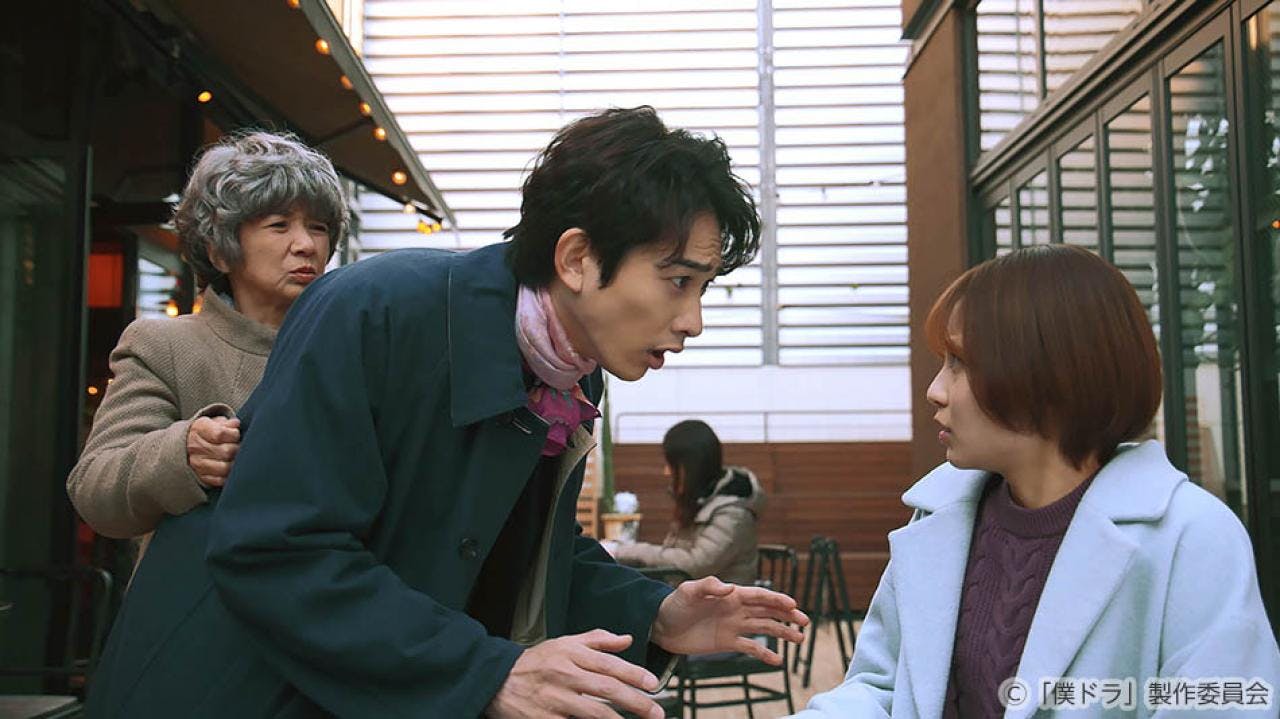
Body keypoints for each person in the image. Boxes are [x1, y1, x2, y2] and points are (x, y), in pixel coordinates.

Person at [88, 106, 809, 719]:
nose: (693, 321)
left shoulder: (569, 364)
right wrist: (486, 671)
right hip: (228, 689)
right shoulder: (377, 310)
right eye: (678, 281)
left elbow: (521, 547)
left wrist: (655, 612)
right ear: (576, 258)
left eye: (703, 288)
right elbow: (277, 547)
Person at [793, 245, 1280, 718]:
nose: (935, 390)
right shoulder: (938, 515)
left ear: (1047, 377)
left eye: (959, 362)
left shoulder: (1192, 537)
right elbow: (884, 689)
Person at [67, 131, 345, 549]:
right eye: (279, 225)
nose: (306, 245)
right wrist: (182, 454)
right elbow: (95, 490)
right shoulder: (164, 345)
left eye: (318, 227)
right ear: (220, 250)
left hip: (336, 587)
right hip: (208, 588)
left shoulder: (352, 349)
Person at [611, 419, 764, 586]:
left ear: (692, 467)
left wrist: (622, 551)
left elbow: (695, 565)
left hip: (718, 599)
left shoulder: (733, 514)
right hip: (694, 595)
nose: (666, 472)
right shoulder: (700, 501)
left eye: (672, 465)